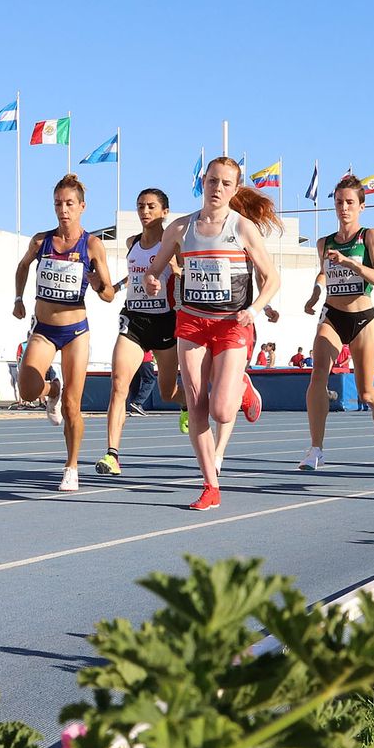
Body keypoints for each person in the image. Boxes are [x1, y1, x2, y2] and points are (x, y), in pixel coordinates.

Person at [142, 158, 280, 509]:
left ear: (235, 189)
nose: (217, 189)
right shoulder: (180, 228)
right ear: (202, 183)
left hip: (232, 324)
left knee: (221, 411)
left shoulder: (242, 228)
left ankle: (243, 389)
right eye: (212, 181)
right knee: (196, 405)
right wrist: (153, 279)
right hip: (191, 322)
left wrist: (255, 307)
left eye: (226, 184)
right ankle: (210, 485)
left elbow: (273, 277)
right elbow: (154, 268)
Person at [13, 174, 119, 491]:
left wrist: (96, 280)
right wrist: (19, 298)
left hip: (75, 332)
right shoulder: (41, 241)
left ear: (82, 207)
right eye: (58, 203)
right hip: (44, 329)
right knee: (27, 391)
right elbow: (22, 267)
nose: (63, 210)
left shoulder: (93, 245)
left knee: (74, 407)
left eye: (69, 204)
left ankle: (71, 466)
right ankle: (51, 391)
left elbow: (109, 293)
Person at [298, 176, 374, 469]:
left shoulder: (369, 236)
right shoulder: (324, 243)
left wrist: (351, 263)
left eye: (350, 202)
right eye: (339, 202)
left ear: (361, 206)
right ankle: (315, 449)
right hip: (333, 315)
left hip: (362, 317)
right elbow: (324, 273)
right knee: (317, 378)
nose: (344, 208)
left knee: (365, 391)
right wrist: (315, 293)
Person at [96, 188, 185, 477]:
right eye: (140, 206)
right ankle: (112, 455)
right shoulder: (132, 242)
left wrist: (172, 276)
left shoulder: (173, 244)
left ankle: (186, 403)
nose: (144, 211)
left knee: (168, 391)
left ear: (164, 212)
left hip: (164, 323)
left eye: (150, 206)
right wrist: (114, 287)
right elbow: (134, 274)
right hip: (133, 320)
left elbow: (186, 275)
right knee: (119, 385)